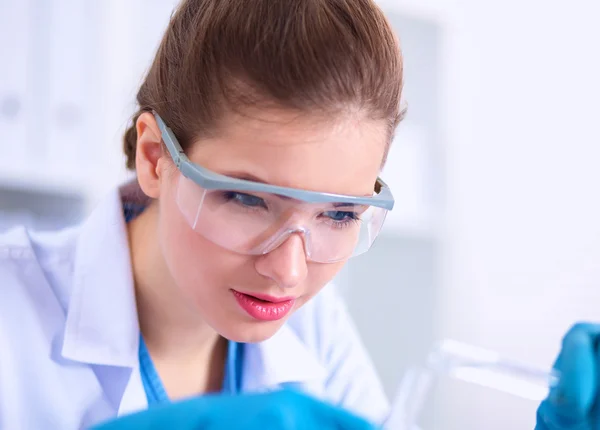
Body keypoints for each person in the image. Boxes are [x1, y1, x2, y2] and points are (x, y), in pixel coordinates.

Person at [0, 0, 597, 429]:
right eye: (246, 197)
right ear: (156, 158)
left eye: (339, 215)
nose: (287, 272)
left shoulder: (316, 328)